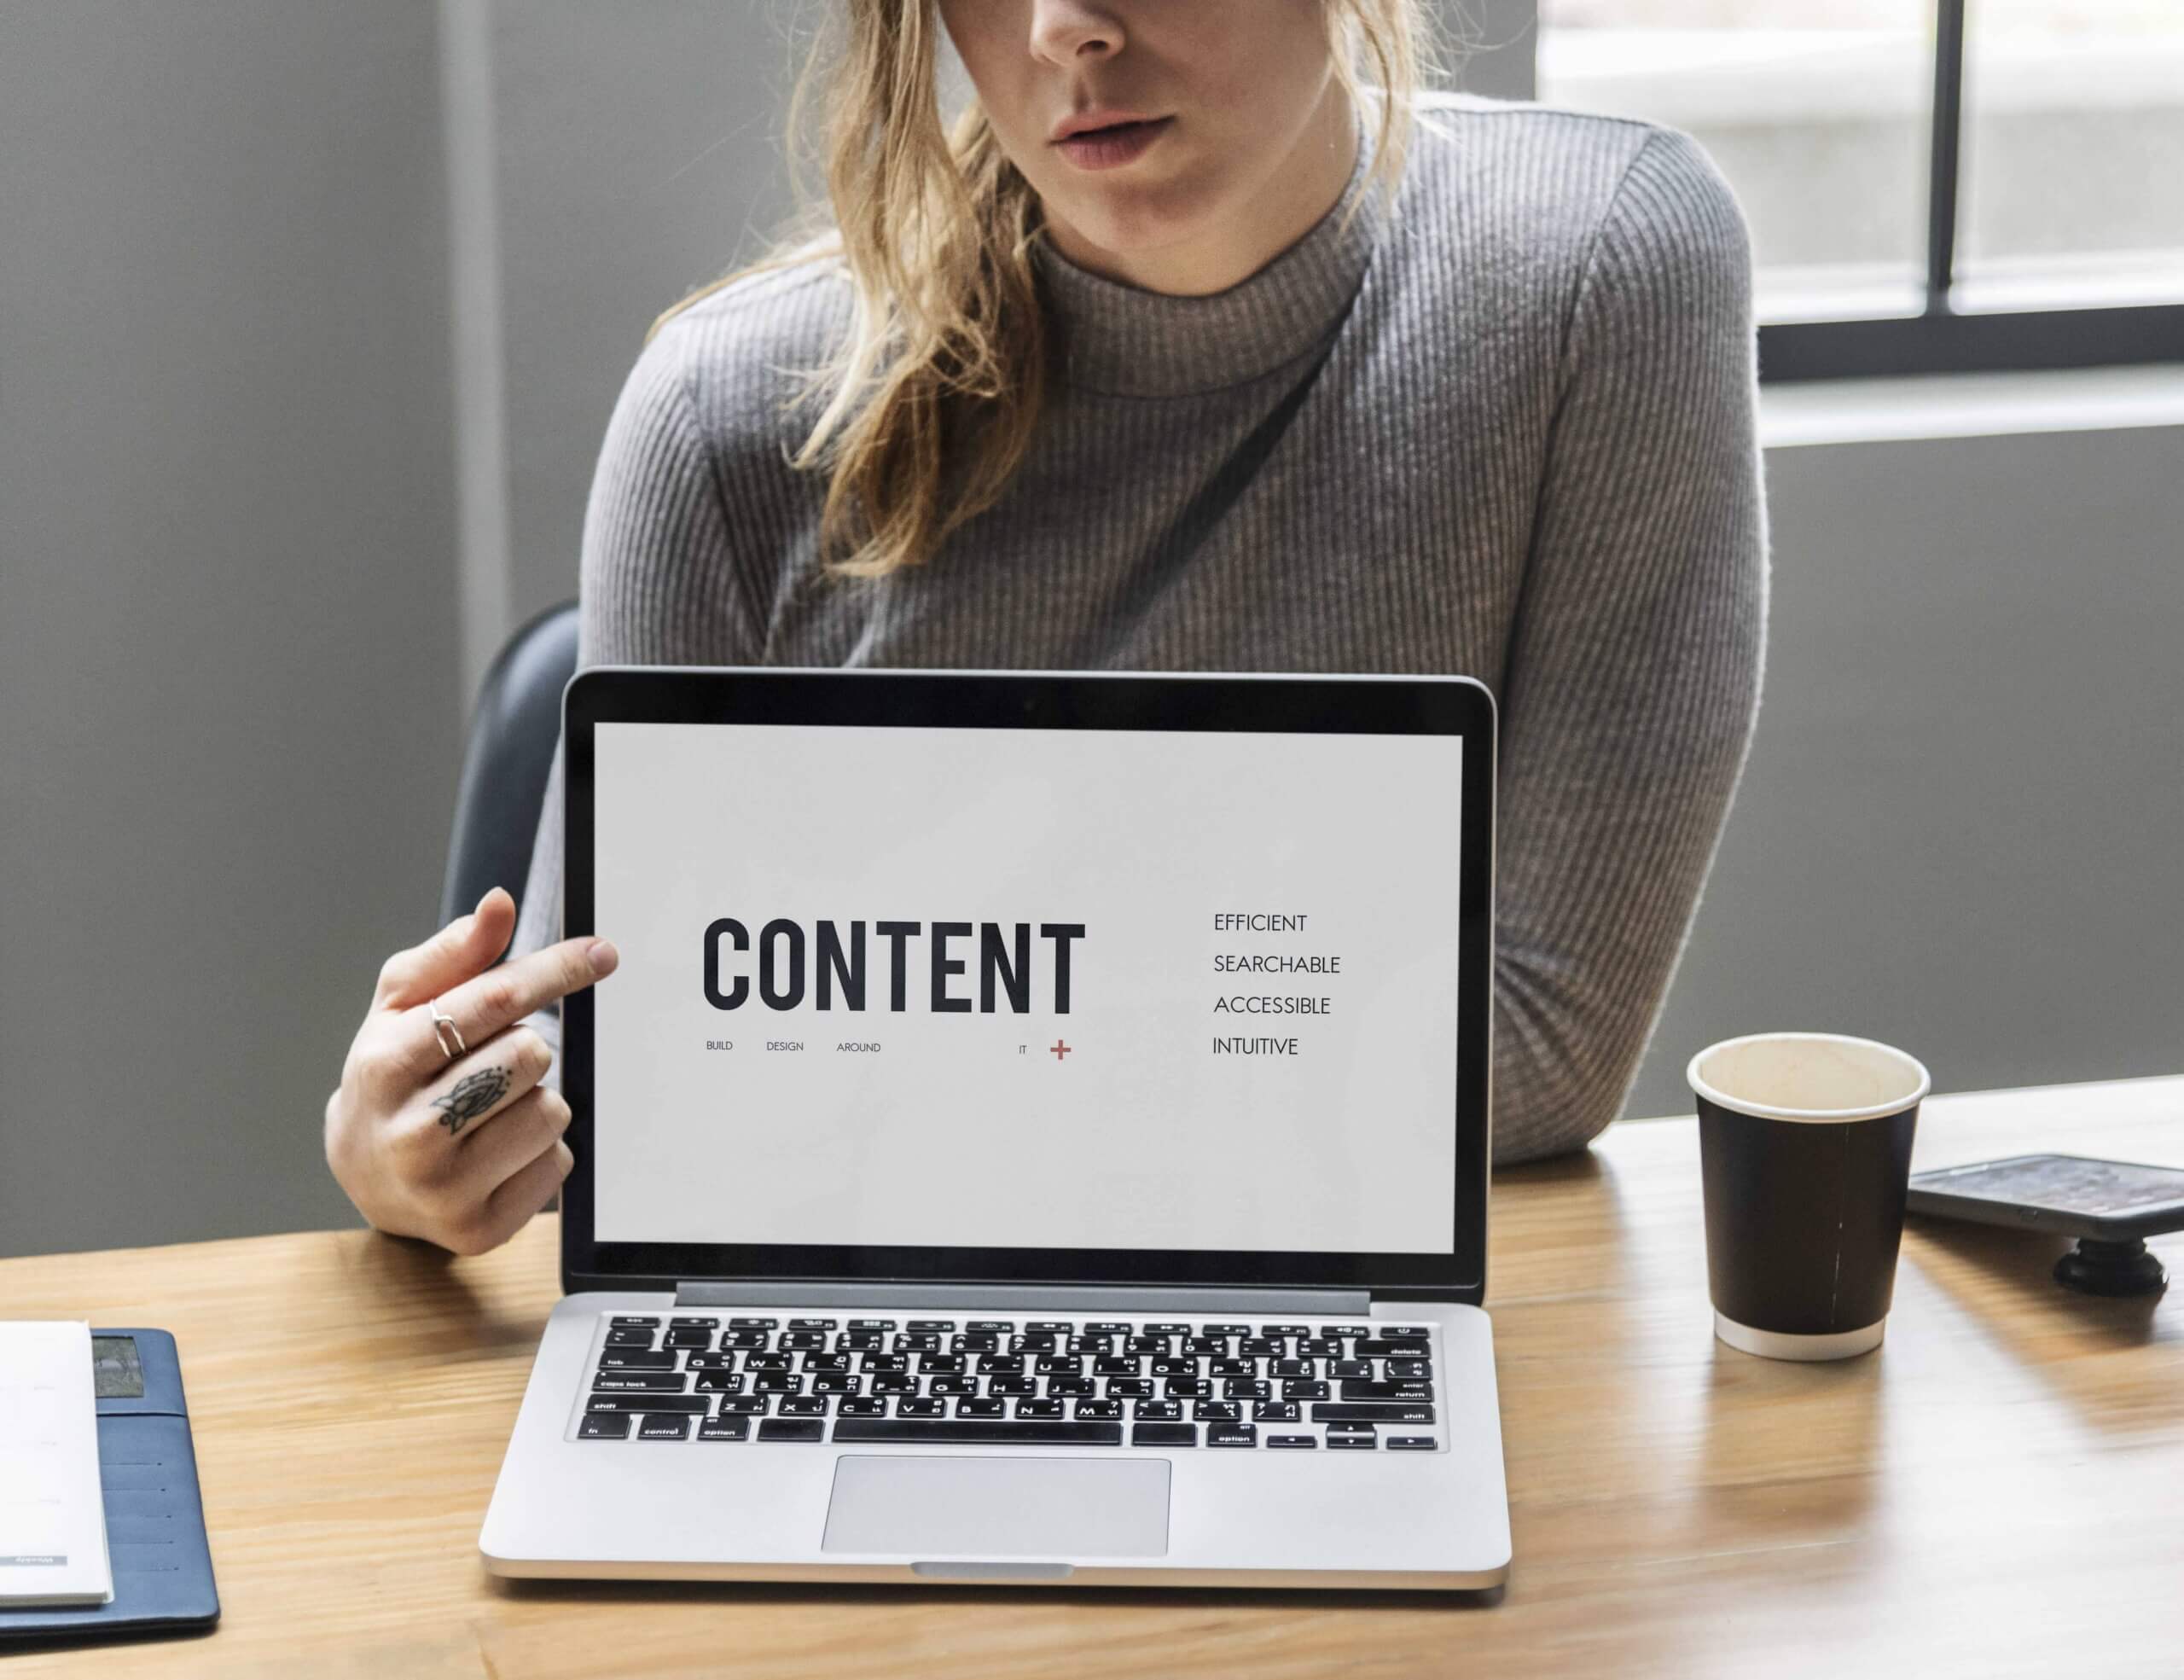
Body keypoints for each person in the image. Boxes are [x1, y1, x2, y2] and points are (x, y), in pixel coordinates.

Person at [326, 0, 1768, 1257]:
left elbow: (1534, 1046)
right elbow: (627, 1095)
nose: (1060, 27)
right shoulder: (728, 417)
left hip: (1325, 1309)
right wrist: (419, 1137)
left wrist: (878, 1040)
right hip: (864, 1330)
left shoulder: (1598, 280)